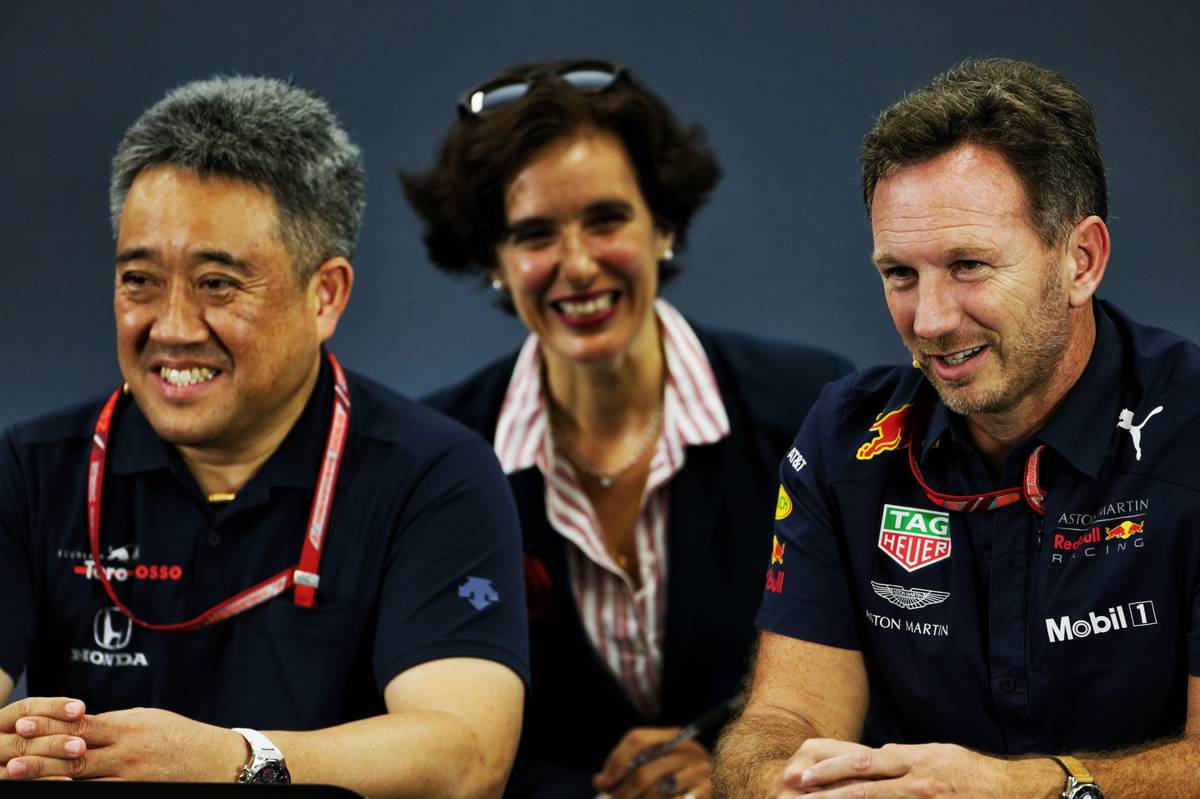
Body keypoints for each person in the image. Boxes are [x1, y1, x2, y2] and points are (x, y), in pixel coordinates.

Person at [0, 76, 529, 797]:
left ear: (325, 294)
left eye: (217, 283)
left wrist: (232, 761)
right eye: (140, 280)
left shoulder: (435, 475)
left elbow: (466, 758)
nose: (172, 328)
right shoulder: (30, 470)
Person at [713, 57, 1200, 799]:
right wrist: (790, 785)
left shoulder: (1190, 433)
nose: (931, 321)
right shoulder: (845, 439)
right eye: (899, 274)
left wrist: (1026, 790)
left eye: (968, 265)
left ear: (1081, 260)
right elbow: (783, 720)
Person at [402, 60, 852, 799]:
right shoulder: (436, 457)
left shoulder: (814, 411)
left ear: (662, 226)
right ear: (493, 260)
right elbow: (426, 733)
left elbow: (901, 674)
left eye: (605, 219)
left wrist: (739, 769)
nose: (578, 264)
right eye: (535, 233)